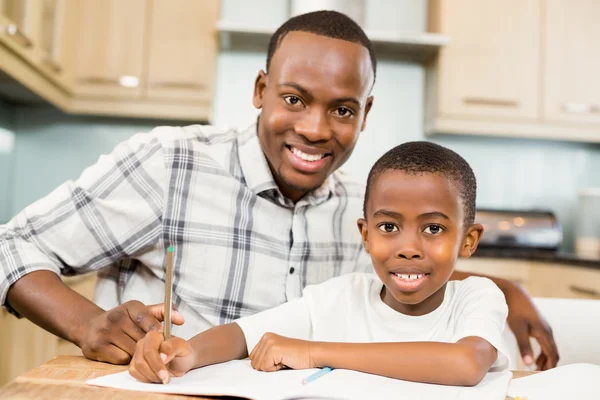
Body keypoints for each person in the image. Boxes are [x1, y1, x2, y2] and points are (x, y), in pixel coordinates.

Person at [0, 10, 557, 370]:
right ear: (261, 90)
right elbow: (12, 246)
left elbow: (409, 266)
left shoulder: (364, 204)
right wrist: (86, 323)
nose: (315, 129)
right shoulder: (171, 163)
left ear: (365, 116)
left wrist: (502, 287)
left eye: (342, 109)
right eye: (294, 99)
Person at [129, 141, 508, 387]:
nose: (408, 248)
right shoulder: (341, 297)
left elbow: (466, 363)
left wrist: (313, 351)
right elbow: (242, 335)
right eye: (388, 226)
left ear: (468, 240)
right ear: (366, 234)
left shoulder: (475, 297)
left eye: (433, 228)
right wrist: (189, 353)